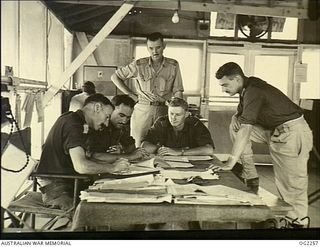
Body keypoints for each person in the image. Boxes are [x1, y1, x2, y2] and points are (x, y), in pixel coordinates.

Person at [215, 62, 313, 227]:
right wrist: (235, 117)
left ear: (237, 78)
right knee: (236, 124)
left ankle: (299, 223)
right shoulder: (247, 87)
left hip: (292, 132)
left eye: (225, 85)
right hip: (275, 131)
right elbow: (242, 119)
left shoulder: (254, 90)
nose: (223, 90)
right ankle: (250, 174)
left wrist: (231, 161)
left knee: (291, 183)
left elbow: (247, 128)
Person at [36, 93, 130, 210]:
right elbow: (81, 166)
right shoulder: (73, 124)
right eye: (107, 117)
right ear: (97, 108)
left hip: (69, 179)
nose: (106, 123)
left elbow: (88, 157)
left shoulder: (79, 122)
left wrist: (111, 164)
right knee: (96, 210)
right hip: (57, 185)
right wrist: (112, 168)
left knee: (111, 193)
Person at [111, 32, 184, 146]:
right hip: (142, 110)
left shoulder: (173, 65)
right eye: (151, 48)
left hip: (164, 110)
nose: (155, 51)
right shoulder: (139, 65)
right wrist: (130, 95)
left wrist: (178, 110)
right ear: (147, 48)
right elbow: (115, 77)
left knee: (163, 145)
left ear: (164, 46)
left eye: (158, 47)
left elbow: (178, 90)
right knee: (139, 144)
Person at [86, 94, 150, 163]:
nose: (124, 121)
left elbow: (131, 148)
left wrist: (122, 150)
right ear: (111, 110)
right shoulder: (98, 124)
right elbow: (94, 156)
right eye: (121, 115)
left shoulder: (121, 127)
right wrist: (127, 156)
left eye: (128, 117)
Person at [142, 97, 214, 156]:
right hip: (167, 162)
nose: (173, 118)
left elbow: (209, 150)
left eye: (178, 115)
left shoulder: (195, 124)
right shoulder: (161, 122)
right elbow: (144, 146)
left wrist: (179, 152)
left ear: (186, 115)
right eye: (171, 114)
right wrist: (163, 150)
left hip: (191, 164)